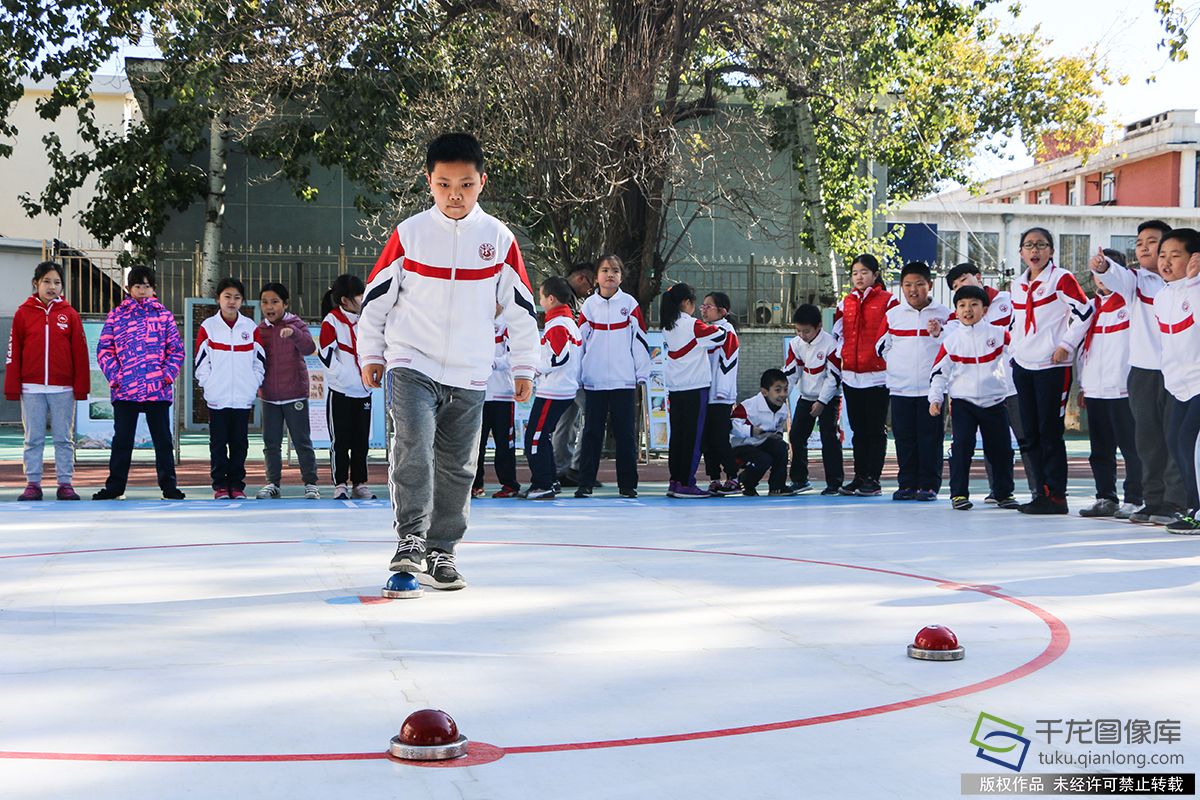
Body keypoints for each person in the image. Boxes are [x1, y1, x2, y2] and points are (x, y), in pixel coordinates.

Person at [359, 132, 539, 590]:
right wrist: (371, 353)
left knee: (459, 464)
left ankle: (443, 551)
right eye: (443, 184)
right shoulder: (409, 235)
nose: (454, 194)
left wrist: (523, 366)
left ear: (482, 182)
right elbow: (376, 300)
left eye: (465, 184)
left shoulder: (498, 240)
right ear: (429, 182)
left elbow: (520, 309)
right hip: (410, 361)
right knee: (414, 447)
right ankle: (411, 540)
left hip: (470, 370)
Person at [1089, 220, 1187, 525]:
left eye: (1152, 241)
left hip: (1178, 373)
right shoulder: (1136, 281)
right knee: (1147, 441)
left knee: (1174, 440)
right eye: (1140, 242)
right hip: (1143, 373)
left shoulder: (1185, 286)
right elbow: (1116, 277)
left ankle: (1175, 502)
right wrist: (1104, 267)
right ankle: (1152, 500)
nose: (1144, 247)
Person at [1009, 227, 1093, 515]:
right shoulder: (1017, 285)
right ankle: (1038, 492)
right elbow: (1016, 324)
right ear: (1021, 252)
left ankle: (1056, 496)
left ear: (1051, 251)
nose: (1035, 251)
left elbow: (1086, 311)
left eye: (1041, 245)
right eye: (1029, 245)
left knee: (1049, 432)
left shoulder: (1061, 278)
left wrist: (1066, 345)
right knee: (1029, 433)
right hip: (1023, 365)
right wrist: (1014, 353)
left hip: (1052, 367)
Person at [93, 265, 185, 500]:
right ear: (128, 288)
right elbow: (105, 349)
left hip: (157, 390)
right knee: (122, 440)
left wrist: (166, 376)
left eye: (147, 286)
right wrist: (116, 377)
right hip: (126, 391)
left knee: (163, 440)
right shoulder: (117, 315)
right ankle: (115, 487)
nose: (142, 290)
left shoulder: (163, 315)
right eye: (137, 286)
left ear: (153, 288)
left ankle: (169, 486)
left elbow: (176, 350)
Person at [944, 262, 1032, 503]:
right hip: (967, 398)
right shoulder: (954, 325)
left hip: (1007, 388)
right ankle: (984, 492)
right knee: (965, 446)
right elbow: (942, 363)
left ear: (979, 277)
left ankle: (1038, 490)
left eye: (964, 279)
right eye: (956, 287)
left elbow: (1019, 338)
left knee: (1017, 442)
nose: (961, 287)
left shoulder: (1008, 300)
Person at [928, 286, 1018, 511]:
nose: (968, 310)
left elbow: (1019, 356)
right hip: (963, 403)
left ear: (985, 309)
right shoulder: (951, 341)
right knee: (962, 448)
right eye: (962, 306)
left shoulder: (999, 334)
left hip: (995, 401)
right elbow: (939, 372)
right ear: (956, 311)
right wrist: (935, 399)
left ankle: (1003, 493)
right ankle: (958, 494)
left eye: (974, 305)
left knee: (1002, 449)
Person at [5, 261, 89, 501]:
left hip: (63, 388)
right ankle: (33, 483)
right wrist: (13, 387)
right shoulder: (23, 313)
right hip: (31, 388)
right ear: (36, 284)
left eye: (57, 282)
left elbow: (80, 353)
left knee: (64, 438)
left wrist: (80, 387)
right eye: (47, 281)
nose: (52, 287)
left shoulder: (70, 315)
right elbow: (14, 351)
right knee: (33, 438)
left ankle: (65, 483)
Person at [575, 254, 651, 498]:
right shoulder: (588, 307)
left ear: (621, 276)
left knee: (626, 434)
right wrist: (576, 375)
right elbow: (580, 344)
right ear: (596, 277)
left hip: (623, 381)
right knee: (591, 433)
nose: (610, 275)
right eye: (605, 270)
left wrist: (642, 372)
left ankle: (628, 485)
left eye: (615, 271)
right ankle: (585, 482)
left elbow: (639, 341)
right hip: (594, 381)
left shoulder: (629, 304)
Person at [1075, 250, 1144, 519]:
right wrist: (1084, 384)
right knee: (1099, 450)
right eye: (1096, 272)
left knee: (1131, 448)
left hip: (1122, 387)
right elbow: (1082, 349)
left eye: (1108, 270)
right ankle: (1105, 497)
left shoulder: (1130, 304)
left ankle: (1135, 497)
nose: (1101, 278)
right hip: (1095, 389)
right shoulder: (1092, 308)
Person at [876, 261, 950, 501]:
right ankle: (907, 483)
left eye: (919, 284)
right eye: (907, 285)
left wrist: (940, 332)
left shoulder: (945, 314)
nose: (913, 290)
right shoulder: (893, 315)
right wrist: (897, 366)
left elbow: (954, 346)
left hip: (933, 390)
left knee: (930, 438)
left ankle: (929, 485)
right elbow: (880, 347)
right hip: (901, 388)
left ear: (930, 285)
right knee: (904, 438)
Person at [195, 277, 265, 500]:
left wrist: (253, 382)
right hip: (217, 397)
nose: (232, 302)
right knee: (218, 443)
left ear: (242, 300)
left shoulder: (250, 327)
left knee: (240, 443)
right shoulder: (209, 327)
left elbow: (259, 360)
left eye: (236, 297)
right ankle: (220, 486)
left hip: (243, 397)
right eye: (227, 297)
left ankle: (237, 485)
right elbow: (200, 362)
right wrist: (209, 384)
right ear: (218, 299)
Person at [1149, 229, 1200, 533]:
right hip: (1178, 386)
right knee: (1177, 445)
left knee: (1189, 444)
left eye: (1175, 255)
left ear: (1194, 258)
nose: (1165, 262)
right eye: (1162, 255)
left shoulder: (1196, 289)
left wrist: (1193, 282)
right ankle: (1193, 506)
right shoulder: (1162, 296)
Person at [833, 254, 897, 496]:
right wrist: (844, 357)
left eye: (864, 272)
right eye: (855, 273)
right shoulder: (845, 303)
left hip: (878, 376)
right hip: (851, 375)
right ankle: (860, 477)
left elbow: (892, 335)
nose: (859, 277)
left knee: (874, 429)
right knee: (858, 430)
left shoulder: (889, 301)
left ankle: (874, 479)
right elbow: (838, 334)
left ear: (875, 274)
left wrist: (884, 359)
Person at [660, 282, 728, 498]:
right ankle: (686, 483)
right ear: (687, 303)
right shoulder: (692, 324)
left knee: (678, 437)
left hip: (676, 388)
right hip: (695, 388)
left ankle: (675, 480)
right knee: (692, 438)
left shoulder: (667, 325)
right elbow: (720, 336)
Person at [256, 282, 321, 499]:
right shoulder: (260, 330)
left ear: (285, 304)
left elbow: (310, 348)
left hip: (295, 394)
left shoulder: (296, 324)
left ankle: (311, 483)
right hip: (270, 396)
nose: (269, 306)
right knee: (271, 443)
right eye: (265, 302)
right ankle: (272, 483)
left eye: (275, 302)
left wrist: (293, 333)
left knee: (302, 440)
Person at [318, 273, 376, 500]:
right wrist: (344, 377)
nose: (363, 299)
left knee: (361, 440)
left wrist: (367, 378)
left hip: (364, 392)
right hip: (340, 392)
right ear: (345, 300)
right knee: (340, 440)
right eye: (359, 295)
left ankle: (360, 483)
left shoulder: (367, 320)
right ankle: (340, 483)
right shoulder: (331, 321)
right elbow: (326, 356)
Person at [524, 276, 582, 499]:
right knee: (542, 435)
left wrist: (537, 368)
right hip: (560, 388)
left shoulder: (558, 324)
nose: (541, 301)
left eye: (541, 297)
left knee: (535, 438)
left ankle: (543, 483)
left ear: (551, 298)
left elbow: (559, 357)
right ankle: (550, 480)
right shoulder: (565, 321)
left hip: (554, 390)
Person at [782, 304, 843, 495]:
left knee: (829, 439)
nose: (802, 335)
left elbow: (833, 378)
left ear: (818, 327)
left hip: (829, 399)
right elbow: (791, 372)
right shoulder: (795, 344)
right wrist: (781, 394)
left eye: (806, 331)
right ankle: (800, 480)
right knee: (796, 436)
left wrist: (822, 402)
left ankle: (834, 483)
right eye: (798, 330)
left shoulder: (831, 345)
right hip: (806, 396)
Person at [553, 261, 597, 487]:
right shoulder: (564, 296)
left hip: (566, 370)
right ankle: (578, 466)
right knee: (592, 414)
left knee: (566, 419)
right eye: (590, 287)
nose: (590, 292)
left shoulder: (569, 296)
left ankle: (561, 467)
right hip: (573, 367)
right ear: (581, 278)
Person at [473, 310, 520, 499]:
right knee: (476, 443)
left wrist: (493, 363)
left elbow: (513, 355)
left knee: (505, 443)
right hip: (478, 393)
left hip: (502, 394)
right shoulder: (474, 320)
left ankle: (510, 484)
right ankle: (475, 485)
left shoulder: (508, 324)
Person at [699, 291, 742, 495]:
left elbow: (727, 366)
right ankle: (714, 478)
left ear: (722, 311)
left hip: (720, 395)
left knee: (719, 438)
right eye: (703, 305)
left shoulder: (726, 332)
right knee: (707, 440)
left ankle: (733, 477)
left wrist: (723, 393)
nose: (703, 309)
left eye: (709, 306)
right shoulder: (710, 331)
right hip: (707, 394)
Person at [730, 369, 792, 496]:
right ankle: (746, 482)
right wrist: (751, 431)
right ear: (764, 392)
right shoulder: (749, 406)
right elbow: (732, 426)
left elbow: (778, 428)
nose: (783, 394)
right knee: (764, 459)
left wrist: (778, 436)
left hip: (761, 443)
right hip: (741, 446)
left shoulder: (783, 409)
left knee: (781, 447)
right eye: (778, 390)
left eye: (785, 390)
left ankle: (777, 486)